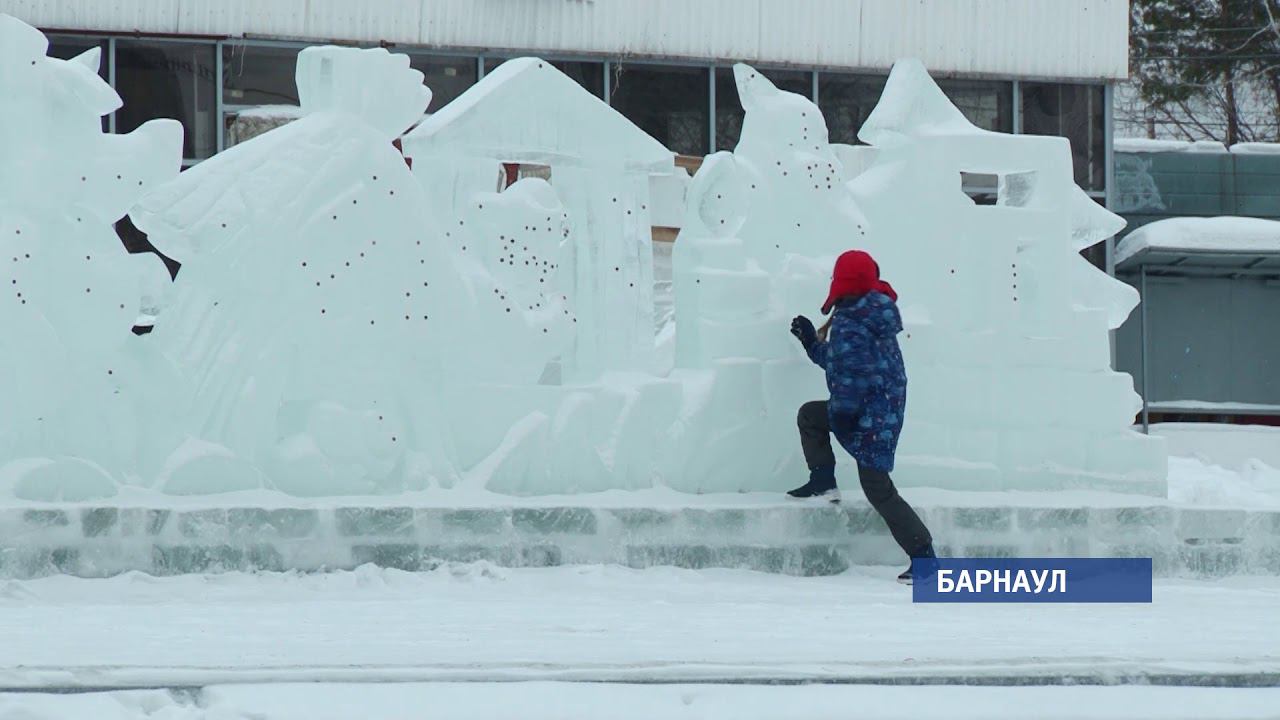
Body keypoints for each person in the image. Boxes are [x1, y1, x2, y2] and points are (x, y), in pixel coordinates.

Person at [788, 250, 937, 585]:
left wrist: (842, 419)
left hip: (867, 417)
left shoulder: (851, 322)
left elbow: (849, 378)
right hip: (882, 410)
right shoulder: (872, 311)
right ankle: (823, 481)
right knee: (811, 415)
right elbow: (844, 363)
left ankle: (925, 558)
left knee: (878, 489)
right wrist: (812, 341)